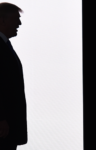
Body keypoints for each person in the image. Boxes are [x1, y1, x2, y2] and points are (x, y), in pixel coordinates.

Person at [0, 2, 28, 150]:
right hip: (4, 128)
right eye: (16, 18)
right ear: (2, 20)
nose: (19, 23)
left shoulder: (5, 45)